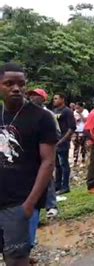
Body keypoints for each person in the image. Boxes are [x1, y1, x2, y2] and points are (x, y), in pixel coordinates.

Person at [0, 63, 57, 265]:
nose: (16, 88)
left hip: (19, 203)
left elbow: (48, 162)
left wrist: (30, 205)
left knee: (16, 259)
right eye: (9, 83)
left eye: (21, 84)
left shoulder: (41, 117)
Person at [27, 89, 60, 219]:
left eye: (36, 96)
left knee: (48, 178)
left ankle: (51, 206)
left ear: (43, 98)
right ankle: (34, 209)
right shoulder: (24, 114)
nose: (32, 98)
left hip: (45, 152)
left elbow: (57, 133)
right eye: (31, 96)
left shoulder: (48, 115)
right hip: (29, 153)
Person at [53, 93, 76, 195]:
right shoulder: (54, 111)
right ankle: (57, 185)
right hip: (55, 141)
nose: (54, 100)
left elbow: (72, 128)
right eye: (54, 99)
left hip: (63, 141)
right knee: (57, 165)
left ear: (62, 99)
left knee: (64, 164)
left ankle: (65, 186)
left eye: (56, 98)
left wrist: (62, 140)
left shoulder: (67, 111)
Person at [73, 102, 89, 166]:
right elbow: (74, 120)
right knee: (75, 146)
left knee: (83, 146)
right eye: (76, 107)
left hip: (83, 130)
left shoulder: (85, 112)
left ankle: (83, 160)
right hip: (76, 130)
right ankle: (75, 160)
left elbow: (86, 120)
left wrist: (80, 114)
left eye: (78, 108)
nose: (77, 109)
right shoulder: (74, 112)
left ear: (82, 107)